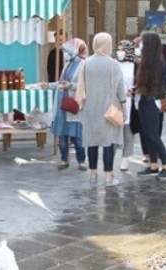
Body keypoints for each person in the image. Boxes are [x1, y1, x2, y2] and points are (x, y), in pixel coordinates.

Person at [75, 32, 125, 187]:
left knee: (92, 142)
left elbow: (80, 86)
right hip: (108, 108)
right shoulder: (113, 64)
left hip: (90, 108)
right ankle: (109, 177)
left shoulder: (86, 63)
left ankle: (93, 175)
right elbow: (120, 88)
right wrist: (124, 106)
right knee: (108, 143)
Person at [135, 32, 166, 180]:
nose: (140, 45)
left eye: (143, 42)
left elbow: (158, 82)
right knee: (147, 133)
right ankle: (153, 165)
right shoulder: (147, 60)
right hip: (145, 98)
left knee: (154, 135)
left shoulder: (157, 62)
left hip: (153, 100)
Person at [50, 38, 88, 171]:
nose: (64, 53)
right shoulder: (67, 64)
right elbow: (61, 82)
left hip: (73, 104)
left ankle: (81, 160)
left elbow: (86, 86)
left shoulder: (84, 65)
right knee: (62, 133)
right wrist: (49, 85)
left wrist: (71, 85)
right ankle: (64, 159)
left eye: (67, 50)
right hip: (62, 103)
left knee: (77, 134)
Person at [115, 40, 136, 172]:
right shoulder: (114, 64)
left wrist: (133, 89)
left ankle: (126, 157)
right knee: (114, 127)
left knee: (128, 130)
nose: (120, 52)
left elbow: (139, 81)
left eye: (123, 49)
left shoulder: (135, 65)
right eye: (118, 49)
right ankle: (114, 152)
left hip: (130, 101)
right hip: (116, 101)